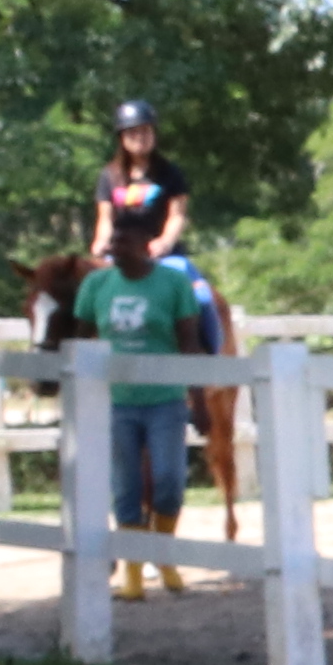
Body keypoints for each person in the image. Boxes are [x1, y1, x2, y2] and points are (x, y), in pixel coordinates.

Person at [79, 226, 224, 596]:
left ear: (144, 245)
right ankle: (132, 575)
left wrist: (199, 399)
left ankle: (164, 556)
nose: (115, 249)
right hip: (116, 402)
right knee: (125, 486)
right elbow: (81, 343)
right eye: (112, 243)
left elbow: (188, 344)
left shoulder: (173, 284)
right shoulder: (97, 286)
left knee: (168, 481)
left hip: (165, 400)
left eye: (122, 241)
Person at [96, 102, 195, 273]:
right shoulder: (109, 175)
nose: (140, 137)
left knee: (203, 297)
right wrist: (101, 242)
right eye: (133, 132)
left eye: (146, 131)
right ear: (122, 137)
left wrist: (165, 241)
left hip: (162, 254)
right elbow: (105, 218)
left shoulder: (170, 173)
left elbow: (177, 215)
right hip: (121, 253)